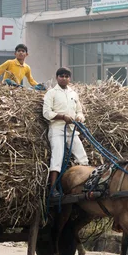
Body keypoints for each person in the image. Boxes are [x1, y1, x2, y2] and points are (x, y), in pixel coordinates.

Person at [43, 67, 89, 197]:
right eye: (61, 76)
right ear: (57, 78)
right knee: (57, 158)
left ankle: (85, 185)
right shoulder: (51, 93)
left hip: (72, 130)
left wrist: (80, 117)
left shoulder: (73, 94)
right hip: (57, 129)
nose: (64, 78)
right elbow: (46, 113)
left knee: (83, 157)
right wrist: (62, 117)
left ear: (70, 78)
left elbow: (79, 111)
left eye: (66, 76)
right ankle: (53, 190)